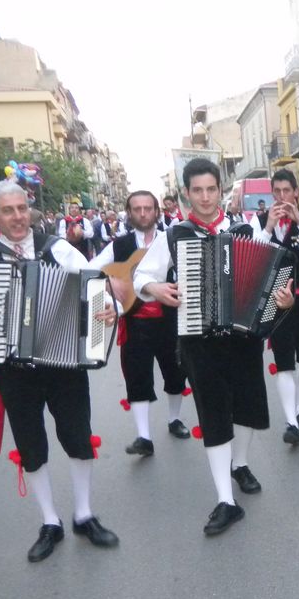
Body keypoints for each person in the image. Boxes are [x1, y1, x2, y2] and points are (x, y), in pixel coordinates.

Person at [0, 180, 120, 562]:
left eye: (21, 208)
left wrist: (107, 308)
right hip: (11, 366)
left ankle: (84, 514)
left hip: (63, 363)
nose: (18, 217)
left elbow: (97, 288)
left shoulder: (57, 248)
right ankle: (50, 521)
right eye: (8, 211)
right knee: (30, 443)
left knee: (78, 436)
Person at [134, 158, 293, 536]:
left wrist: (284, 301)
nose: (205, 197)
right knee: (214, 414)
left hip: (243, 337)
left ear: (220, 190)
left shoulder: (246, 228)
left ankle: (240, 464)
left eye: (211, 189)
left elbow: (270, 279)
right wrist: (156, 288)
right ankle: (226, 500)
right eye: (198, 190)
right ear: (186, 193)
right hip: (198, 340)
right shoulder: (174, 235)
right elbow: (141, 276)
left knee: (248, 409)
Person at [89, 191, 190, 457]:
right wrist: (110, 291)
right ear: (129, 212)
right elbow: (90, 270)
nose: (143, 213)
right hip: (135, 321)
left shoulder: (172, 239)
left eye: (148, 208)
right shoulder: (119, 245)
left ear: (157, 211)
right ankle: (144, 436)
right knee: (136, 376)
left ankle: (174, 419)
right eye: (137, 209)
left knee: (176, 372)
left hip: (171, 318)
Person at [251, 169, 299, 444]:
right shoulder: (259, 221)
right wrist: (269, 228)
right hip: (276, 300)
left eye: (287, 191)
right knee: (283, 360)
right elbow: (254, 257)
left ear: (296, 192)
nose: (282, 196)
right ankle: (291, 422)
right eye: (277, 191)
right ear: (272, 194)